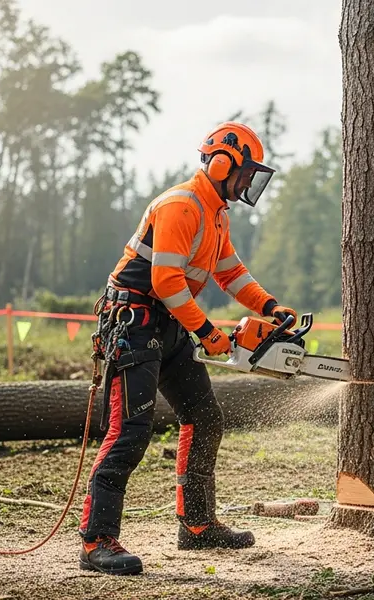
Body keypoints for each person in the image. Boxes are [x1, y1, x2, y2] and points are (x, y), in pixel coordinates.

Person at [79, 122, 296, 575]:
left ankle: (196, 526)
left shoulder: (216, 214)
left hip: (170, 322)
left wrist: (270, 307)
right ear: (221, 164)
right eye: (245, 173)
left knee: (203, 417)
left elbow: (231, 273)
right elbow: (165, 281)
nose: (247, 184)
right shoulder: (182, 205)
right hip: (134, 324)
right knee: (130, 431)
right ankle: (96, 542)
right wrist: (207, 331)